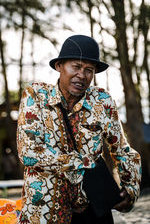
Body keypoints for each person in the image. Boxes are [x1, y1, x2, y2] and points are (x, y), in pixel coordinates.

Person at [17, 35, 141, 224]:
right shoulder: (36, 96)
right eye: (76, 67)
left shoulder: (101, 101)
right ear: (59, 66)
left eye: (89, 70)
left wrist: (130, 189)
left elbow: (122, 150)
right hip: (44, 211)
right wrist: (83, 163)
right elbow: (29, 152)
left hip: (92, 209)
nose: (82, 75)